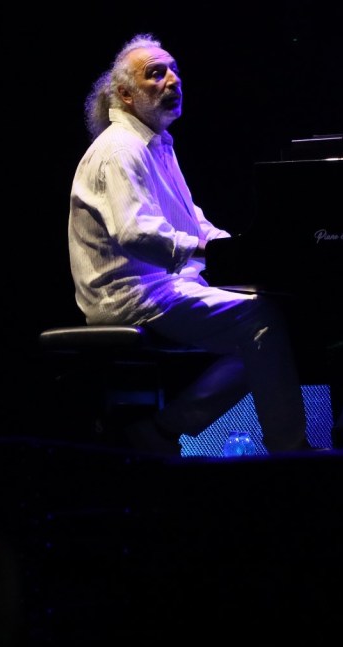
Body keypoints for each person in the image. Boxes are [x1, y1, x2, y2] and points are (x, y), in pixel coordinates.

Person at [67, 33, 309, 456]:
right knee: (261, 319)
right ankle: (289, 451)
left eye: (174, 70)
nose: (173, 80)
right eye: (155, 73)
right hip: (129, 294)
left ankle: (163, 430)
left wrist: (242, 248)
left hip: (161, 285)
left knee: (271, 322)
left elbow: (191, 221)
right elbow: (135, 233)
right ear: (125, 94)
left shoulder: (156, 144)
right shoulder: (120, 149)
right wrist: (211, 252)